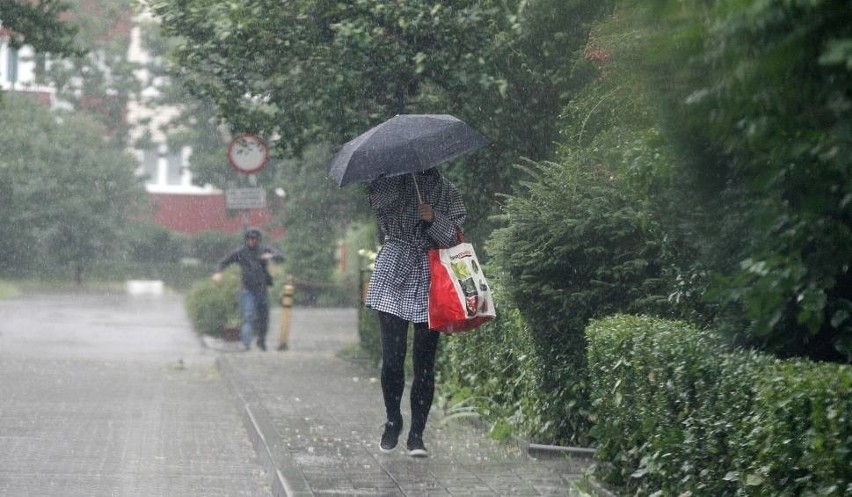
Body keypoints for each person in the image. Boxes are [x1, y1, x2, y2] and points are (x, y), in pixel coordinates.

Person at [366, 168, 466, 458]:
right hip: (393, 270)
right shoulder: (389, 181)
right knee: (393, 359)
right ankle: (393, 419)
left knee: (424, 362)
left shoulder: (448, 191)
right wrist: (397, 190)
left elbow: (455, 236)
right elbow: (379, 208)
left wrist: (434, 218)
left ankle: (417, 435)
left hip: (431, 274)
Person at [213, 228, 284, 351]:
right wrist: (218, 272)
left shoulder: (264, 250)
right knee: (248, 316)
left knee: (264, 318)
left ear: (258, 240)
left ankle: (261, 341)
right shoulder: (241, 253)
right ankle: (246, 344)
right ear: (246, 240)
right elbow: (224, 262)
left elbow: (281, 257)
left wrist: (271, 255)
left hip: (262, 289)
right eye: (249, 239)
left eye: (254, 239)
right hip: (248, 290)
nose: (252, 241)